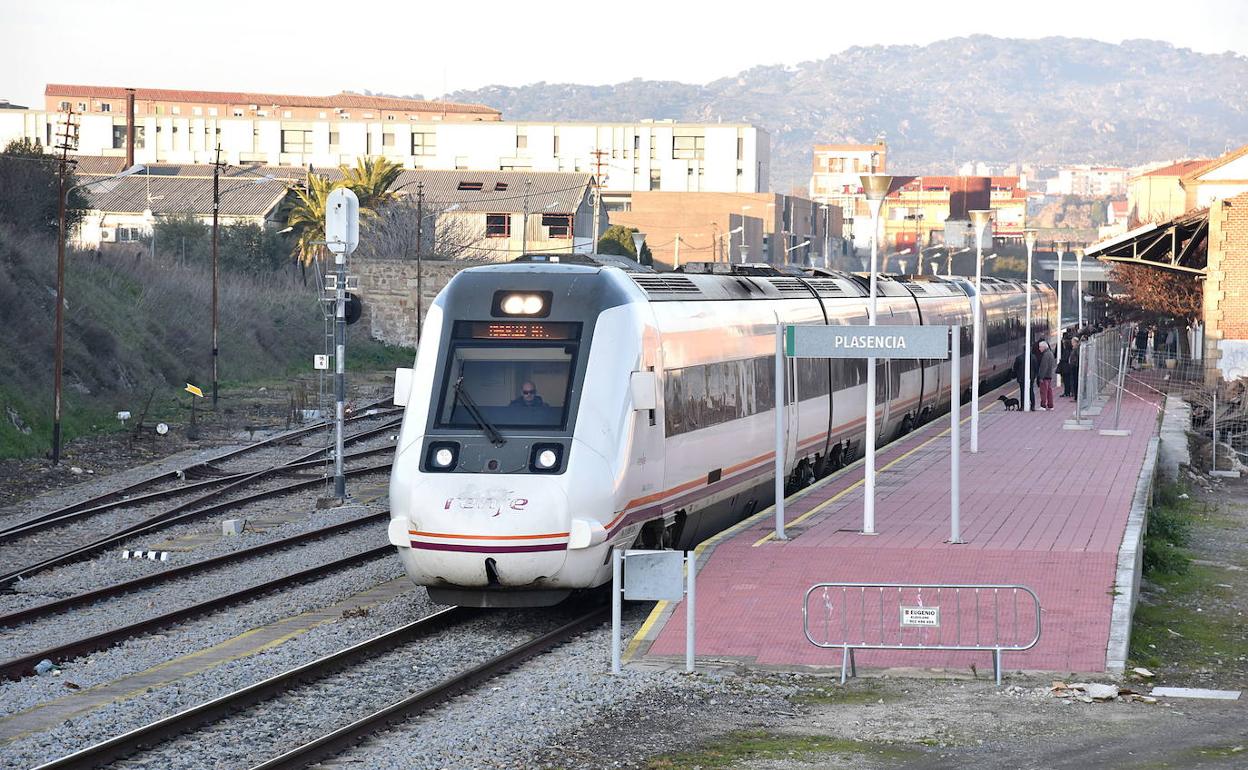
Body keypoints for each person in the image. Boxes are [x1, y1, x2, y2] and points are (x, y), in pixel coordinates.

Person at [1036, 340, 1056, 410]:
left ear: (1044, 347)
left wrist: (1041, 377)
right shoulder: (1050, 353)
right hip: (1049, 375)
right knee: (1049, 391)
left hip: (1045, 377)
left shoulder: (1045, 355)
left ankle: (1043, 405)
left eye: (1040, 347)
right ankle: (1050, 405)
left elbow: (1044, 367)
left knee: (1043, 391)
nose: (1039, 349)